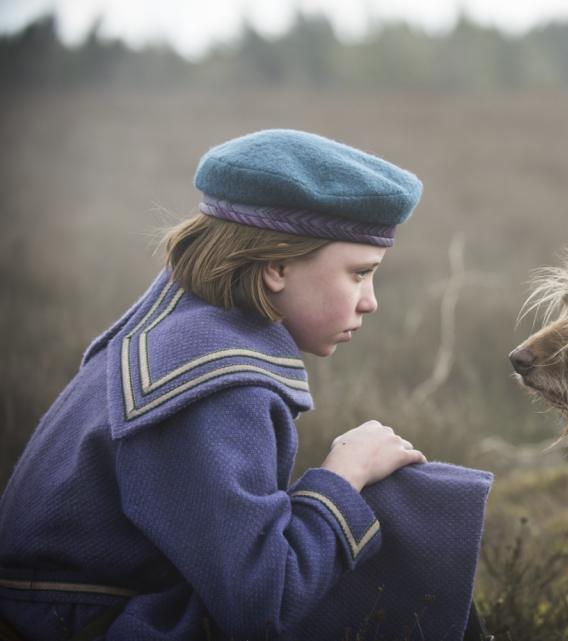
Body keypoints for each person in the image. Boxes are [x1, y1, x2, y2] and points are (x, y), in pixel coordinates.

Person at [0, 129, 493, 640]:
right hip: (81, 625)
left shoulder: (185, 327)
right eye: (358, 274)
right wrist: (343, 475)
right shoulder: (213, 385)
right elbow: (262, 608)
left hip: (77, 610)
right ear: (277, 266)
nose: (370, 301)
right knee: (403, 510)